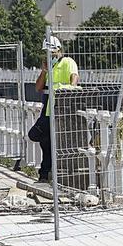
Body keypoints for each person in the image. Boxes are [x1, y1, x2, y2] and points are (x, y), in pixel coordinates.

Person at [28, 36, 80, 182]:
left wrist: (65, 90)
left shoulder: (68, 62)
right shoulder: (49, 68)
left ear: (59, 50)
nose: (50, 56)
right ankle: (45, 173)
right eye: (48, 53)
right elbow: (38, 87)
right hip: (49, 110)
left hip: (62, 109)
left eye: (53, 53)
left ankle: (47, 173)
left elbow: (74, 79)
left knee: (47, 140)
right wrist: (44, 71)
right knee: (43, 140)